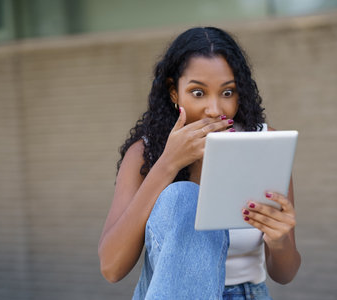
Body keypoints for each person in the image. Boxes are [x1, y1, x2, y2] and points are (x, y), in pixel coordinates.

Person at [98, 27, 301, 300]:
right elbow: (111, 268)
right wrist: (168, 163)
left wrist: (278, 241)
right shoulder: (145, 154)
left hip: (246, 293)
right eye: (198, 93)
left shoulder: (263, 144)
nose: (215, 109)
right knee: (184, 197)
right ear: (174, 92)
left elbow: (285, 274)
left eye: (227, 93)